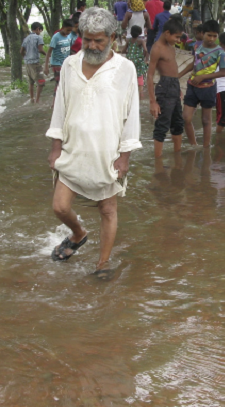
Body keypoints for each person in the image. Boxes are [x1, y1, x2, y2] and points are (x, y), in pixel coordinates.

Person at [46, 7, 142, 276]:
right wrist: (55, 146)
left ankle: (102, 264)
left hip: (107, 150)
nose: (92, 45)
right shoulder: (69, 64)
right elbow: (60, 107)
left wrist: (125, 155)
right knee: (60, 207)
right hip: (72, 148)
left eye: (99, 40)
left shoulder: (125, 69)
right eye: (87, 39)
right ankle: (78, 233)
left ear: (112, 37)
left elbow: (131, 114)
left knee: (107, 209)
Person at [178, 19, 225, 148]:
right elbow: (193, 63)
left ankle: (206, 148)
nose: (211, 38)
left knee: (206, 120)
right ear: (202, 34)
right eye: (209, 35)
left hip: (208, 88)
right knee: (186, 118)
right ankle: (194, 145)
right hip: (192, 86)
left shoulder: (220, 52)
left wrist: (204, 76)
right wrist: (178, 75)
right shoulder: (196, 46)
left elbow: (223, 72)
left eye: (214, 36)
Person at [147, 18, 185, 157]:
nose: (178, 40)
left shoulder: (170, 46)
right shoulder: (157, 49)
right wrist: (152, 101)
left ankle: (177, 156)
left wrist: (178, 88)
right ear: (167, 33)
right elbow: (150, 75)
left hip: (174, 86)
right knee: (162, 125)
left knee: (178, 123)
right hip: (165, 87)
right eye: (177, 37)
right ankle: (157, 161)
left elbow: (173, 68)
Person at [44, 19, 75, 105]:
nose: (69, 32)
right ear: (63, 27)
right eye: (67, 30)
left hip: (66, 62)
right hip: (56, 64)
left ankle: (64, 102)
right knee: (59, 83)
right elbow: (49, 52)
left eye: (70, 30)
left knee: (67, 82)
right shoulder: (56, 37)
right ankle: (54, 104)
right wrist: (46, 66)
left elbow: (70, 49)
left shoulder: (69, 36)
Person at [21, 22, 47, 103]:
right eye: (40, 30)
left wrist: (25, 57)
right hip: (35, 63)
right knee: (41, 81)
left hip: (27, 63)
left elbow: (21, 51)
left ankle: (32, 98)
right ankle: (37, 100)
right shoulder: (38, 38)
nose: (40, 32)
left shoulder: (26, 38)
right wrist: (48, 55)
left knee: (31, 82)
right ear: (38, 29)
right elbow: (40, 49)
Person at [122, 25, 149, 89]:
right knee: (139, 75)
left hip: (130, 60)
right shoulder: (141, 41)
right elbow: (145, 50)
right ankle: (141, 93)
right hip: (138, 60)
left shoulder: (128, 40)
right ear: (139, 33)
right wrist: (145, 58)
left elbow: (123, 51)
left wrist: (130, 53)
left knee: (130, 74)